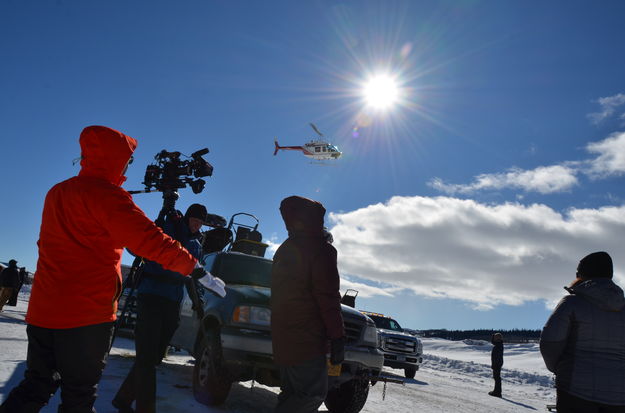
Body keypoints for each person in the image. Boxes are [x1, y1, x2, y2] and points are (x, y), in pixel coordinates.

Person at [0, 125, 208, 413]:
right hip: (86, 316)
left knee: (36, 385)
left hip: (44, 310)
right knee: (79, 397)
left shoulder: (58, 192)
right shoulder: (109, 197)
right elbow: (149, 240)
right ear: (117, 159)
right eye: (128, 159)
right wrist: (194, 267)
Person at [112, 203, 208, 413]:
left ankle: (123, 399)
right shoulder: (169, 229)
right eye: (194, 220)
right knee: (146, 358)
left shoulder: (197, 245)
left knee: (154, 357)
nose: (196, 225)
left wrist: (197, 302)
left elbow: (194, 277)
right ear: (188, 218)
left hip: (172, 300)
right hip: (152, 295)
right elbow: (145, 245)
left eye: (200, 223)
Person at [270, 196, 345, 413]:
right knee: (311, 394)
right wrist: (338, 336)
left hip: (283, 336)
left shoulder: (285, 248)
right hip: (307, 339)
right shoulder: (322, 251)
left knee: (292, 392)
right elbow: (328, 297)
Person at [540, 251, 625, 413]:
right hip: (620, 397)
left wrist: (560, 369)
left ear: (582, 274)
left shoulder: (572, 302)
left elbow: (550, 343)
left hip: (576, 392)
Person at [489, 332, 504, 397]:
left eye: (495, 338)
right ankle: (497, 391)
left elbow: (497, 357)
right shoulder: (499, 345)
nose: (493, 339)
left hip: (497, 364)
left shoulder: (498, 346)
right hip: (498, 363)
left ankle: (497, 392)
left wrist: (495, 364)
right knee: (496, 377)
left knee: (497, 377)